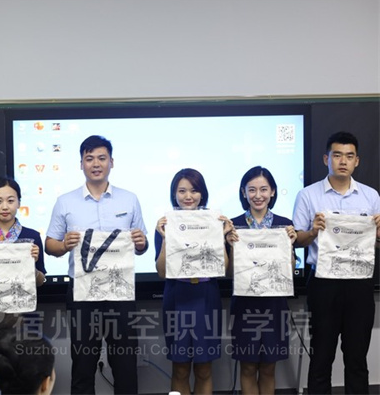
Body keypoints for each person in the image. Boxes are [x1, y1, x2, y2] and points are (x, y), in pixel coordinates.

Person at [45, 135, 148, 394]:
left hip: (120, 295)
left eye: (102, 158)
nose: (96, 164)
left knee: (125, 364)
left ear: (111, 162)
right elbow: (50, 245)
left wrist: (141, 242)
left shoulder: (129, 199)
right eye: (89, 159)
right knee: (83, 364)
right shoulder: (65, 201)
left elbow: (142, 245)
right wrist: (64, 244)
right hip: (83, 295)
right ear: (81, 164)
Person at [292, 132, 380, 394]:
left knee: (357, 357)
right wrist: (313, 231)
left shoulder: (371, 197)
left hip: (359, 284)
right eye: (337, 155)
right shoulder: (308, 195)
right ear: (326, 159)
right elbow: (297, 240)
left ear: (357, 161)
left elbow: (376, 244)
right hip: (323, 284)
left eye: (349, 156)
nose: (343, 161)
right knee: (321, 356)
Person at [154, 168, 232, 395]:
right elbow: (161, 272)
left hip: (206, 296)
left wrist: (222, 236)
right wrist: (166, 237)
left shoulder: (215, 222)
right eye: (182, 191)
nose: (188, 196)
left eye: (194, 190)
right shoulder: (165, 224)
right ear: (174, 194)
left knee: (204, 369)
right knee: (179, 369)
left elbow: (224, 269)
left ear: (202, 194)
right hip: (177, 296)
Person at [225, 166, 297, 395]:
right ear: (244, 192)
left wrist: (290, 246)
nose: (258, 195)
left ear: (273, 191)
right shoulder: (232, 226)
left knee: (268, 368)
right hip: (244, 305)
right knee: (247, 367)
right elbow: (229, 273)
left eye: (264, 189)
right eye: (252, 189)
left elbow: (289, 270)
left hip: (274, 306)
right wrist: (231, 245)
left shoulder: (284, 224)